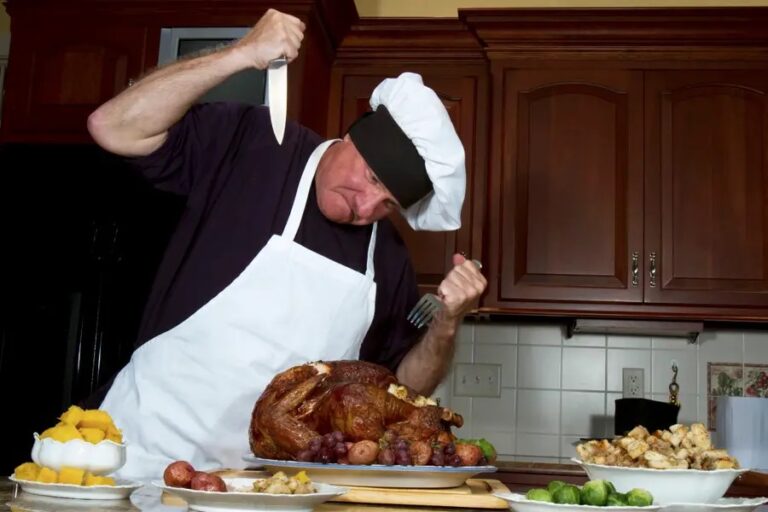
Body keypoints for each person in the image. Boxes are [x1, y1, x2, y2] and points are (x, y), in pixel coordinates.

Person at [86, 8, 487, 479]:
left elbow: (400, 388)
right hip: (138, 453)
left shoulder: (388, 259)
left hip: (271, 490)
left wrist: (447, 324)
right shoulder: (254, 145)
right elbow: (113, 127)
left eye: (389, 203)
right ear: (354, 137)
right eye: (372, 178)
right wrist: (240, 54)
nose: (367, 206)